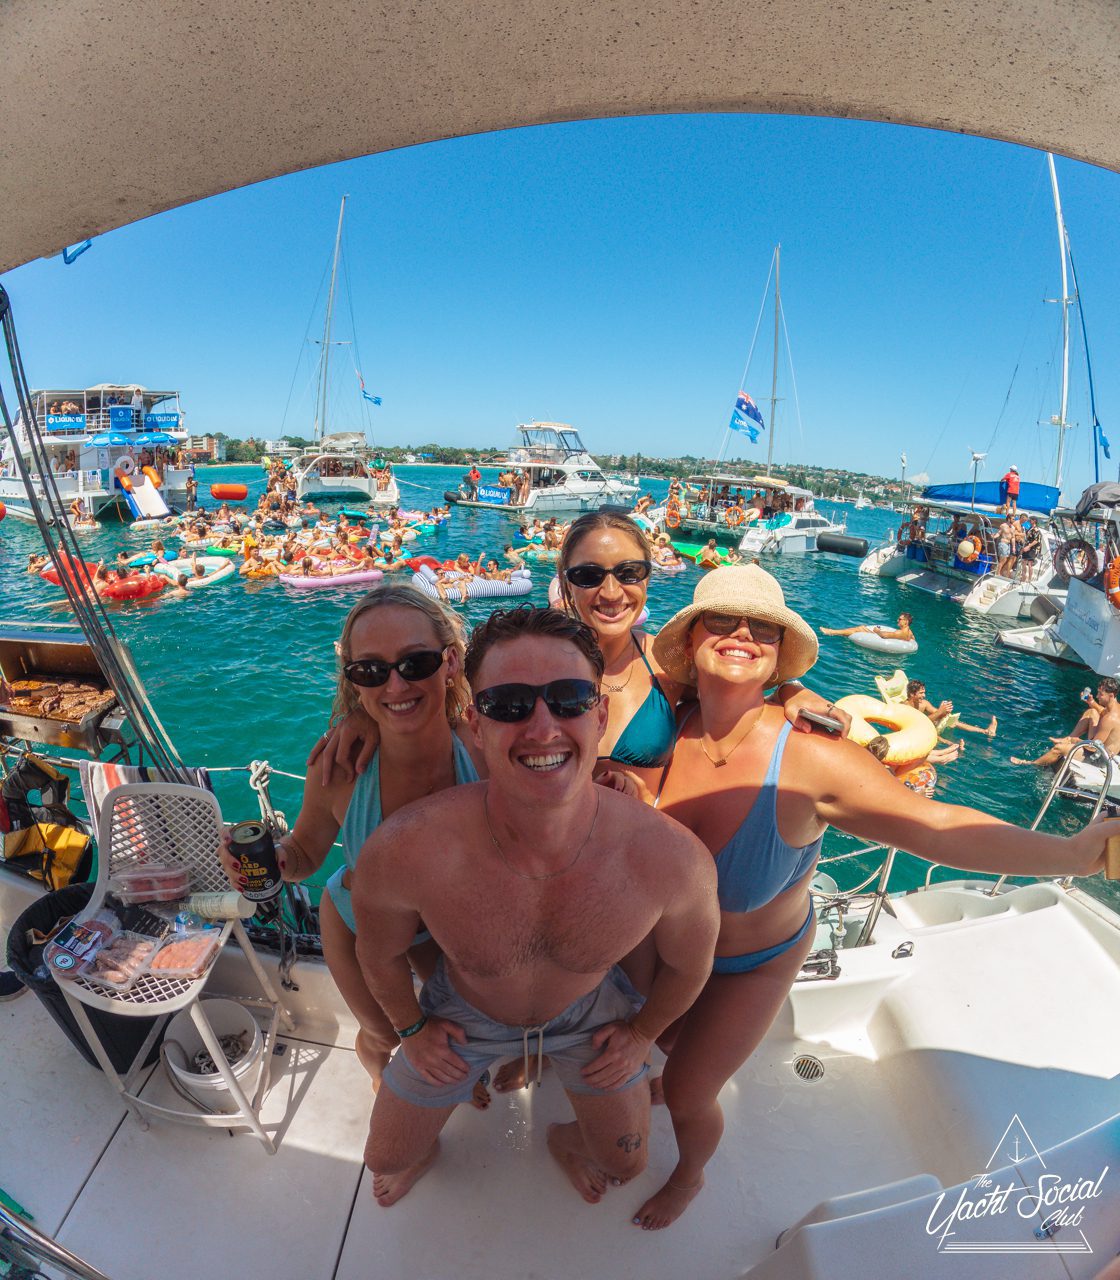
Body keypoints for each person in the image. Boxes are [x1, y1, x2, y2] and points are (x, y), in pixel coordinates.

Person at [624, 565, 1112, 1230]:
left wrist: (1071, 855)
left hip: (754, 963)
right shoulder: (664, 725)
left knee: (687, 1093)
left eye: (762, 627)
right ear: (689, 640)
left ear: (779, 651)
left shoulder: (812, 757)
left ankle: (689, 1176)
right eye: (722, 620)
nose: (741, 633)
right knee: (670, 1041)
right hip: (679, 956)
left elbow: (933, 825)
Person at [352, 606, 721, 1207]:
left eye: (569, 699)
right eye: (509, 705)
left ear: (599, 716)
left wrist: (641, 1034)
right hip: (465, 1012)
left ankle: (567, 1138)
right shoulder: (408, 849)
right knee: (382, 1157)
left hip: (591, 1015)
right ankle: (427, 1144)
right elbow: (378, 953)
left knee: (625, 1166)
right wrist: (411, 1029)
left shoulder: (670, 858)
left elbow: (690, 966)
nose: (543, 727)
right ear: (476, 725)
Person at [218, 585, 494, 1099]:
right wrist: (271, 862)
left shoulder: (481, 750)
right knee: (386, 1033)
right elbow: (304, 856)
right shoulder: (341, 769)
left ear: (451, 662)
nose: (395, 685)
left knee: (461, 1025)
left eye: (415, 663)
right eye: (371, 671)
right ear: (352, 679)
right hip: (355, 924)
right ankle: (376, 1071)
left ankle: (464, 1071)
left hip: (442, 924)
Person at [1011, 677, 1120, 766]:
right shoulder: (1115, 709)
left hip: (1099, 758)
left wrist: (1075, 740)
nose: (1097, 696)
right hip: (1101, 748)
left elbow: (1092, 747)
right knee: (1092, 712)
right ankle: (1066, 739)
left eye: (1100, 694)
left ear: (1111, 695)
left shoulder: (1109, 719)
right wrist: (1091, 703)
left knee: (1058, 749)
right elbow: (1103, 712)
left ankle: (1031, 764)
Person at [905, 679, 996, 737]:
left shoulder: (924, 703)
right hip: (916, 731)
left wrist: (945, 711)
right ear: (912, 694)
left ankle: (985, 731)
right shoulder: (905, 708)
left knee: (953, 721)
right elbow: (918, 723)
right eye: (921, 693)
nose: (924, 695)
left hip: (928, 725)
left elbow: (938, 713)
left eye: (924, 692)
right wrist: (940, 711)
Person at [820, 612, 914, 642]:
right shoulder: (910, 633)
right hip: (885, 638)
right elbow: (912, 639)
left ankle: (832, 632)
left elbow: (884, 636)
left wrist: (877, 631)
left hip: (880, 638)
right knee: (861, 627)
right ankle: (836, 632)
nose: (897, 620)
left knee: (859, 629)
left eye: (900, 619)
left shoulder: (900, 632)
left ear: (906, 621)